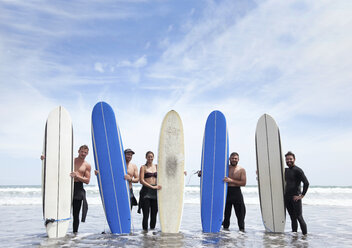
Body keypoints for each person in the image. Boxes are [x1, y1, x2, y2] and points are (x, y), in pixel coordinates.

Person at [284, 151, 309, 235]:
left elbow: (306, 183)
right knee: (292, 218)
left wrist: (301, 195)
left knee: (299, 217)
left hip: (295, 198)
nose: (289, 161)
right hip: (287, 197)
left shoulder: (298, 170)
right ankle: (294, 236)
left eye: (290, 159)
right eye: (287, 159)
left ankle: (305, 237)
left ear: (294, 159)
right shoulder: (285, 170)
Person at [223, 152, 247, 232]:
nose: (234, 160)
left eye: (235, 158)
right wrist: (202, 173)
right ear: (229, 159)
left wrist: (231, 180)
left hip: (237, 193)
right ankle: (225, 235)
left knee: (240, 216)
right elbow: (214, 173)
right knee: (226, 216)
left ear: (238, 159)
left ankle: (242, 235)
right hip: (227, 193)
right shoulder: (225, 168)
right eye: (232, 158)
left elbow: (243, 183)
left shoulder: (241, 170)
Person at [138, 151, 162, 231]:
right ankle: (145, 233)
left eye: (151, 157)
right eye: (148, 157)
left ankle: (152, 232)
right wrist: (152, 187)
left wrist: (181, 172)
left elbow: (167, 171)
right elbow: (141, 181)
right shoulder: (143, 167)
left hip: (155, 193)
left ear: (153, 157)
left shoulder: (156, 166)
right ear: (146, 157)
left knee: (154, 214)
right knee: (146, 215)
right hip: (146, 193)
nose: (150, 158)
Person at [70, 145, 91, 233]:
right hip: (67, 187)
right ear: (78, 151)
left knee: (76, 214)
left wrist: (77, 176)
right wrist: (45, 158)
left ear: (87, 153)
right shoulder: (71, 160)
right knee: (63, 211)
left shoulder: (87, 165)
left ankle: (75, 234)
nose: (83, 154)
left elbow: (87, 180)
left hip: (78, 189)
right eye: (82, 151)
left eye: (85, 152)